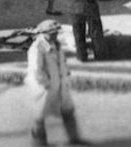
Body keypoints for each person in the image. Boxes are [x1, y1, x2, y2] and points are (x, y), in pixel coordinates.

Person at [25, 19, 88, 147]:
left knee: (68, 110)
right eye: (51, 33)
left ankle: (74, 138)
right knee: (39, 115)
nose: (55, 35)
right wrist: (45, 84)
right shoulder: (37, 48)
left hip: (60, 83)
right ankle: (38, 143)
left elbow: (62, 62)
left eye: (56, 33)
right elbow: (36, 69)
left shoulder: (56, 45)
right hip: (44, 87)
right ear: (43, 33)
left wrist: (66, 75)